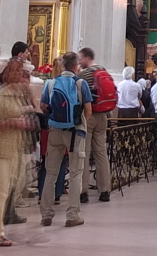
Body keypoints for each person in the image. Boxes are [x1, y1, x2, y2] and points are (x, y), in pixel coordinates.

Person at [39, 50, 93, 227]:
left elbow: (43, 106)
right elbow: (89, 110)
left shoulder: (50, 83)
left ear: (62, 65)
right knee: (76, 172)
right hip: (75, 132)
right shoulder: (81, 84)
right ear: (76, 66)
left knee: (51, 172)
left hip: (54, 130)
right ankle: (72, 215)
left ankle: (46, 215)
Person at [0, 59, 35, 247]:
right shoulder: (2, 94)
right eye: (14, 71)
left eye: (20, 71)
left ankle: (0, 226)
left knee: (8, 190)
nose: (18, 74)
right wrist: (13, 122)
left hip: (16, 146)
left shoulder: (19, 93)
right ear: (7, 73)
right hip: (2, 148)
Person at [78, 47, 112, 203]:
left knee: (84, 153)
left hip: (88, 115)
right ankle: (105, 190)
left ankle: (83, 191)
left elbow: (79, 95)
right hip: (103, 116)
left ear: (87, 58)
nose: (79, 61)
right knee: (101, 153)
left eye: (81, 59)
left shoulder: (85, 74)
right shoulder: (104, 70)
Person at [36, 58, 68, 205]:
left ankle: (43, 193)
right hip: (67, 127)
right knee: (62, 162)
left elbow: (43, 105)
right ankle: (57, 194)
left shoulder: (49, 83)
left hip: (50, 126)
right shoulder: (73, 83)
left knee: (47, 162)